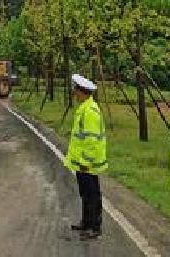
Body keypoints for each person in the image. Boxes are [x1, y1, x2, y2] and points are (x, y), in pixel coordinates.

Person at [64, 74, 108, 240]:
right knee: (85, 193)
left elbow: (91, 140)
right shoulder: (84, 108)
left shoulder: (89, 111)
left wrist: (85, 162)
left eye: (76, 90)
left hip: (87, 163)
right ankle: (86, 222)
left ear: (82, 92)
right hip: (82, 163)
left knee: (92, 194)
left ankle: (94, 227)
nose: (74, 94)